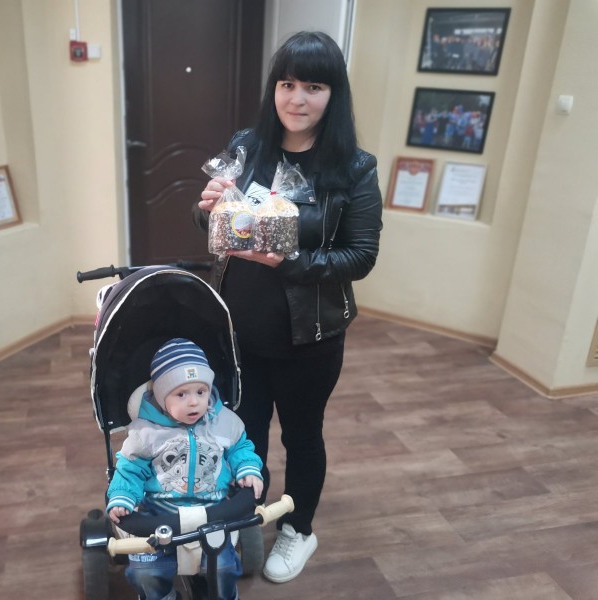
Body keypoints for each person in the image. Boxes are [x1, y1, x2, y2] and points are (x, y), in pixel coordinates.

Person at [193, 31, 383, 583]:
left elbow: (361, 256)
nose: (297, 99)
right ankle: (246, 519)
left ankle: (299, 527)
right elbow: (218, 227)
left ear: (334, 94)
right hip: (237, 329)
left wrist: (290, 261)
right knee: (243, 435)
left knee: (301, 435)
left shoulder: (353, 167)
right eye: (287, 84)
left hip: (309, 338)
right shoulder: (247, 146)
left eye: (313, 87)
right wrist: (206, 210)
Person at [106, 338, 264, 600]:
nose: (194, 402)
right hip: (160, 514)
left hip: (213, 511)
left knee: (224, 567)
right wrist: (123, 496)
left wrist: (247, 468)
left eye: (201, 392)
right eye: (181, 394)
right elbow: (129, 469)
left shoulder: (224, 423)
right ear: (161, 397)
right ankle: (162, 596)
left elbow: (240, 448)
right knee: (145, 573)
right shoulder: (145, 433)